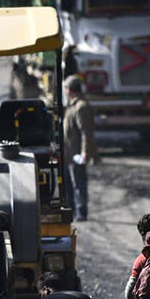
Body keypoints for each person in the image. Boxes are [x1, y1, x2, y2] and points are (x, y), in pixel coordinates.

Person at [61, 75, 97, 220]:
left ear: (69, 90)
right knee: (70, 184)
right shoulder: (72, 106)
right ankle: (72, 211)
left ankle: (81, 212)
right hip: (69, 153)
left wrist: (85, 152)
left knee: (79, 182)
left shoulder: (81, 107)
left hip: (77, 153)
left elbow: (86, 132)